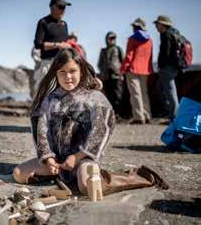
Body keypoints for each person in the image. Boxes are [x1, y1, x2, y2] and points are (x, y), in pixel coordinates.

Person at [13, 48, 168, 195]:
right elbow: (41, 131)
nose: (67, 76)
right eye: (62, 72)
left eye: (72, 71)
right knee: (19, 174)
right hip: (59, 162)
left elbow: (100, 131)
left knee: (87, 187)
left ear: (81, 70)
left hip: (82, 159)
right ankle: (60, 177)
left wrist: (77, 157)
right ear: (56, 74)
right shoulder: (50, 99)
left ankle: (141, 176)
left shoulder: (94, 98)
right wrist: (49, 159)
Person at [33, 0, 71, 97]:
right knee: (46, 93)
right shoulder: (43, 22)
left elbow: (65, 42)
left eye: (64, 7)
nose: (63, 10)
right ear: (52, 7)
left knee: (62, 93)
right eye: (61, 7)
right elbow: (38, 44)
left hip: (62, 63)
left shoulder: (64, 24)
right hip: (48, 63)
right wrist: (58, 45)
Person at [121, 18, 153, 124]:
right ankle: (147, 115)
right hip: (145, 69)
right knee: (144, 93)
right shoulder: (150, 40)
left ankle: (139, 117)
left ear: (135, 27)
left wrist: (123, 69)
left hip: (133, 69)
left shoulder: (132, 39)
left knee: (135, 93)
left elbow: (129, 56)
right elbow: (150, 57)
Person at [154, 15, 180, 121]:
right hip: (173, 67)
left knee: (170, 92)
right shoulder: (174, 33)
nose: (156, 26)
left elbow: (166, 53)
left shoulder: (166, 35)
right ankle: (173, 115)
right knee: (167, 91)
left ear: (163, 24)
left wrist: (161, 66)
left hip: (167, 68)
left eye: (157, 24)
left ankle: (175, 116)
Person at [98, 31, 124, 117]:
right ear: (107, 39)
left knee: (117, 96)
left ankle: (119, 114)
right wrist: (102, 71)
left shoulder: (118, 49)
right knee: (108, 97)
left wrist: (119, 72)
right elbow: (99, 64)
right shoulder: (103, 51)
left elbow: (123, 62)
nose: (112, 40)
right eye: (110, 38)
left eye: (114, 38)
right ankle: (111, 115)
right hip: (106, 77)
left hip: (116, 76)